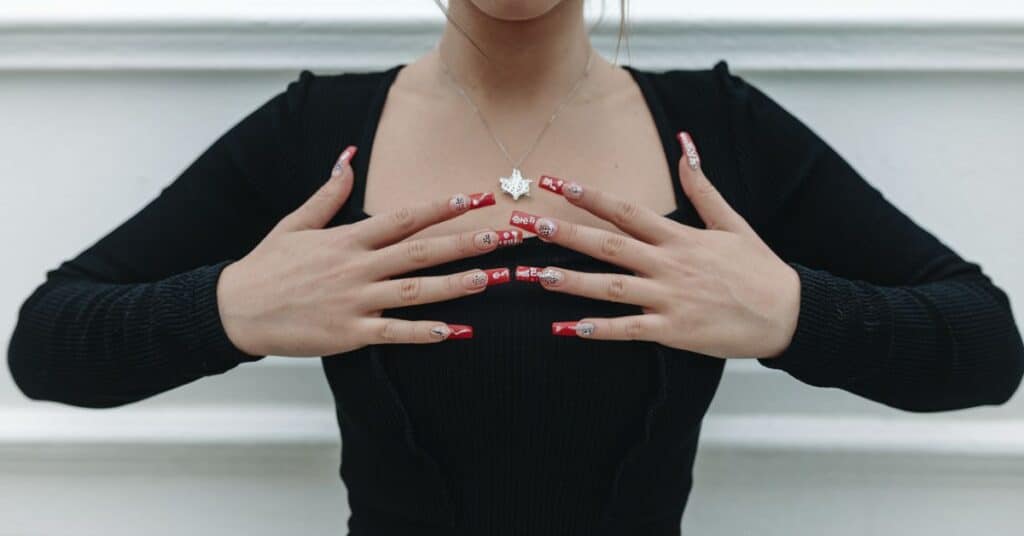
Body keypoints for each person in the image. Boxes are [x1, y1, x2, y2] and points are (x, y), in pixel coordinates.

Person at [8, 1, 1024, 534]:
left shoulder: (717, 133)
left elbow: (983, 344)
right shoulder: (318, 133)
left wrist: (796, 311)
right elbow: (50, 343)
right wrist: (229, 306)